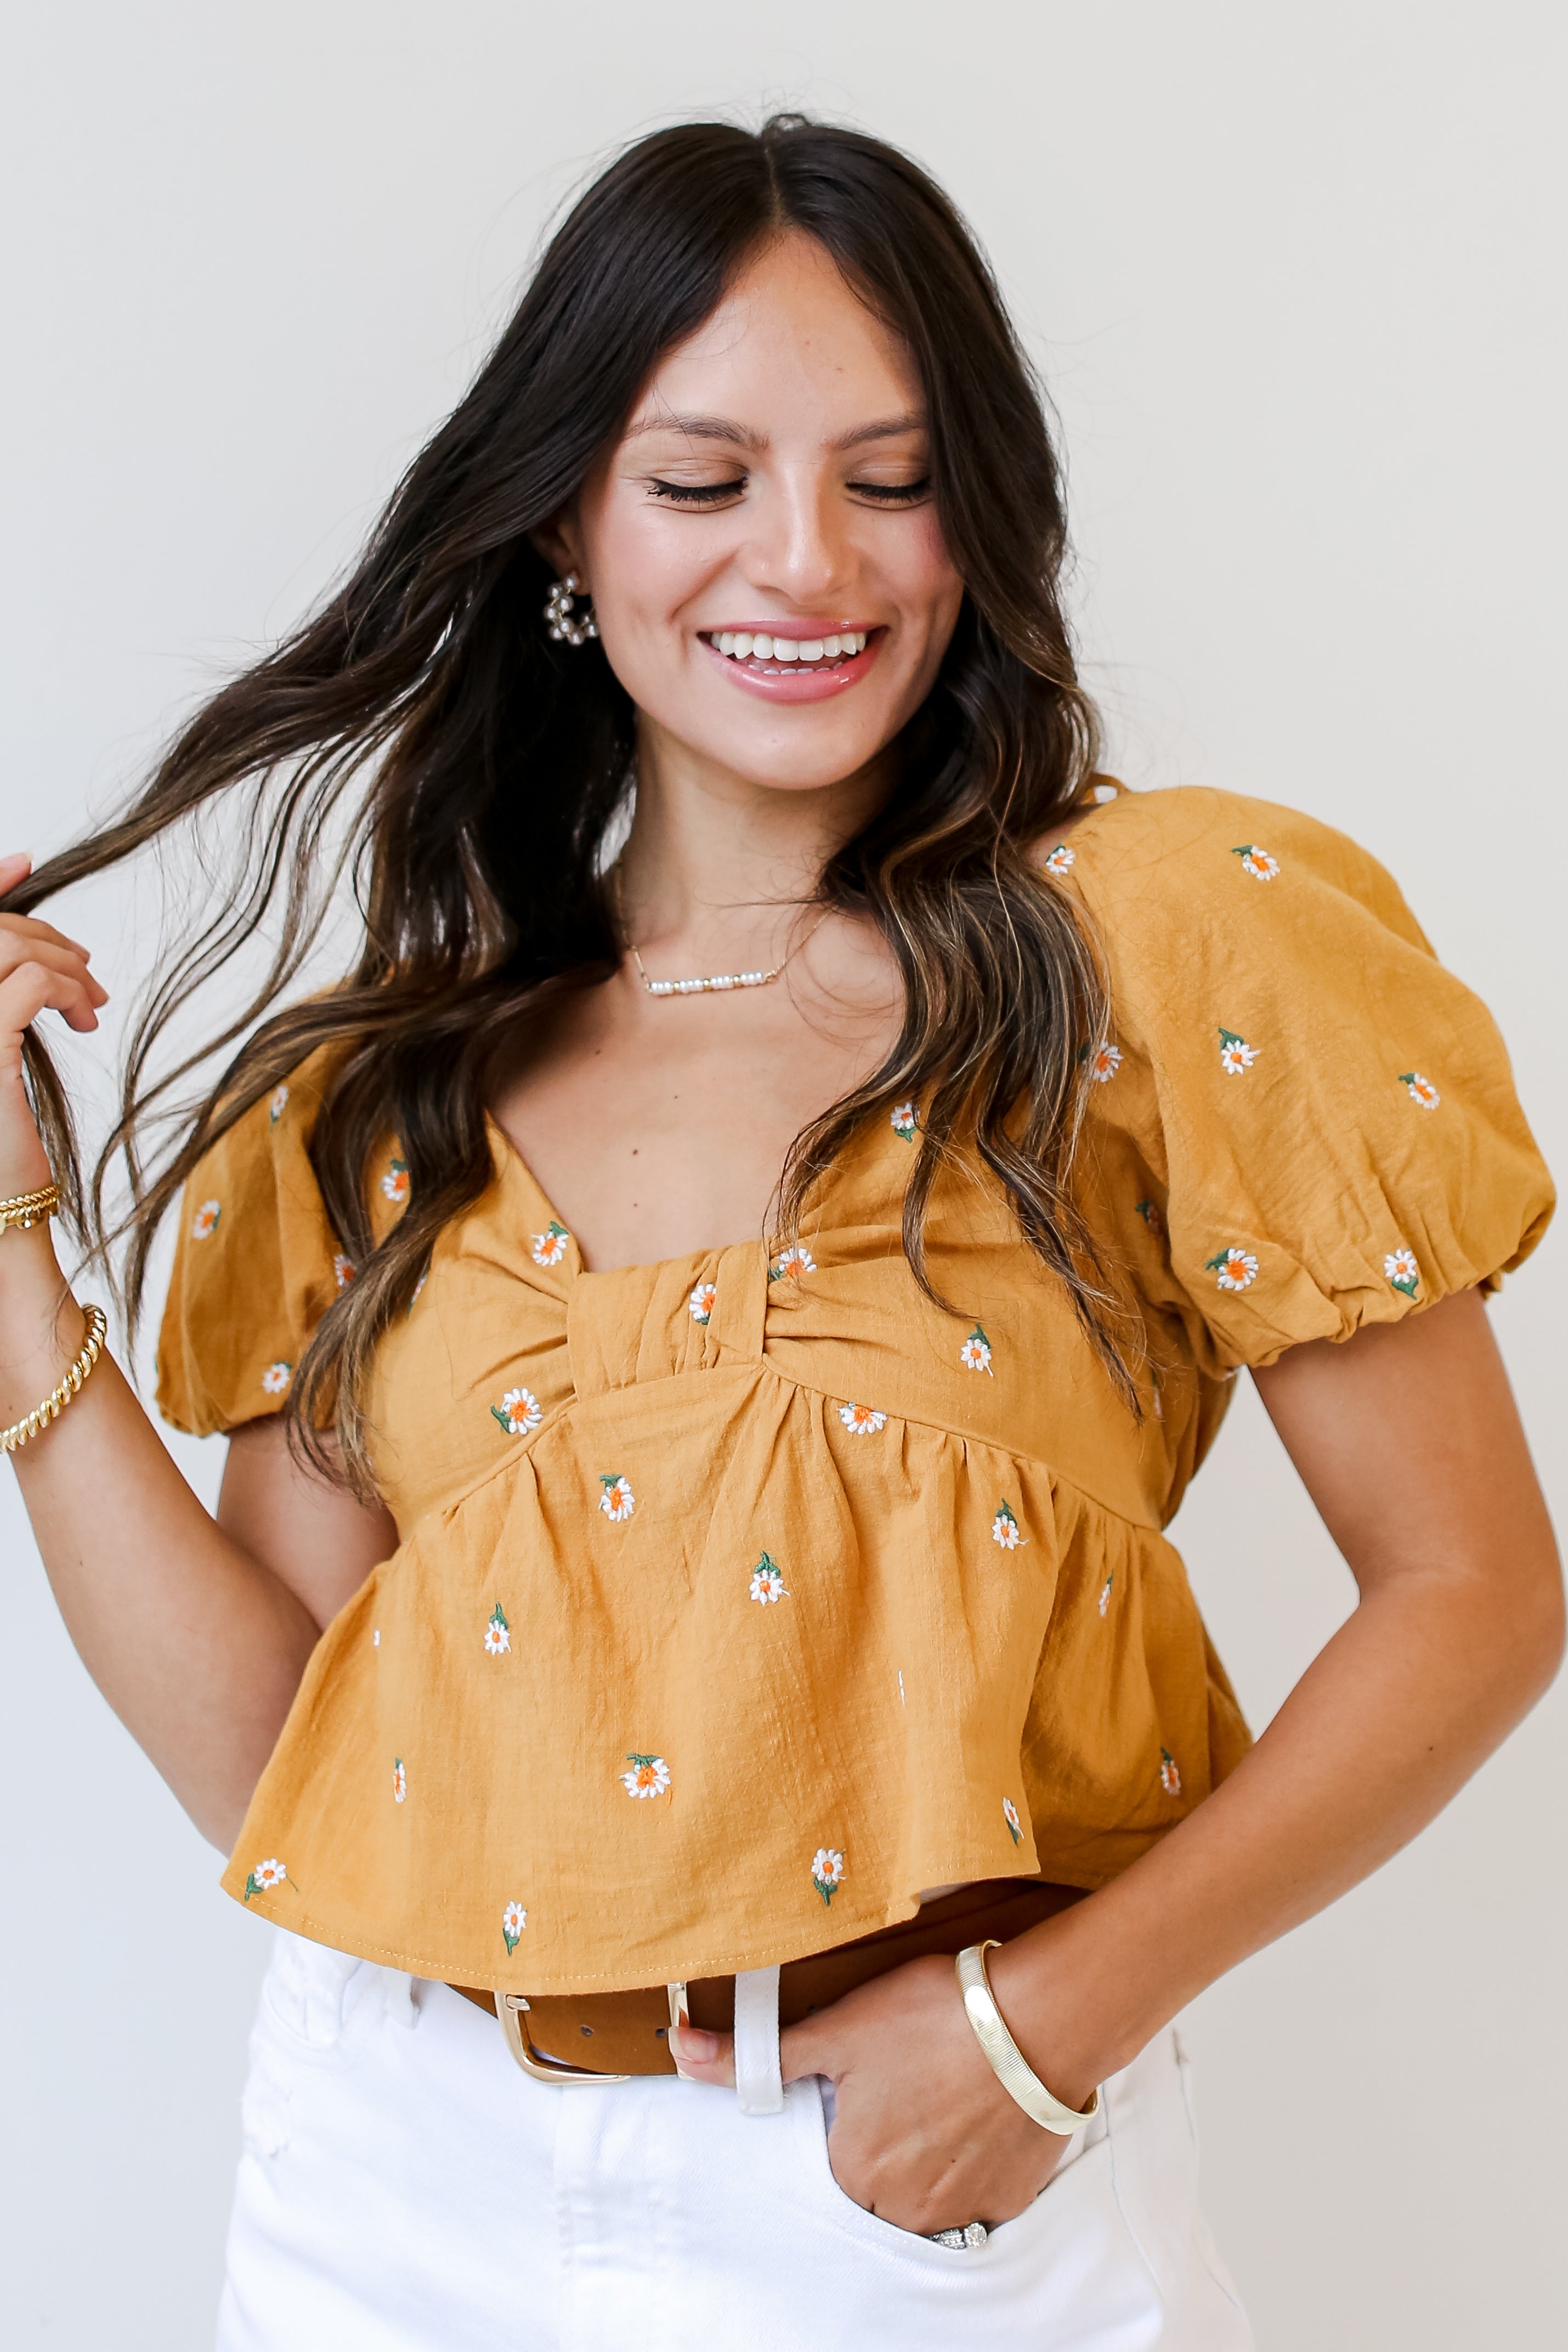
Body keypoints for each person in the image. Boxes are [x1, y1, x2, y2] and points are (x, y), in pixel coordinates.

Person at [0, 115, 1557, 2351]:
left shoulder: (1161, 945)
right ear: (568, 516)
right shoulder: (391, 1080)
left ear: (981, 514)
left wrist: (1039, 2045)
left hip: (933, 2203)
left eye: (891, 477)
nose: (805, 562)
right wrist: (11, 1249)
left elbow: (1473, 1590)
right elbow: (282, 1772)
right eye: (703, 480)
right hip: (394, 2185)